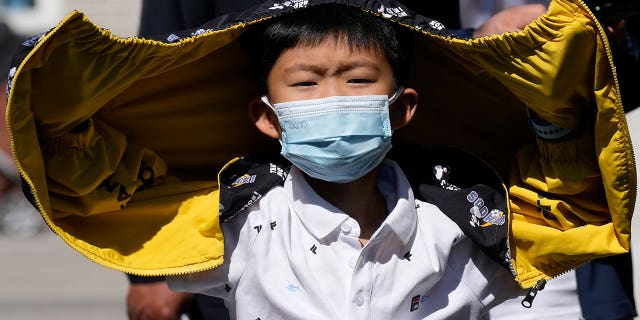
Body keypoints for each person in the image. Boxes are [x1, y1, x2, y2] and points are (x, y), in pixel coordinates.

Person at [4, 0, 634, 319]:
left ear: (403, 106)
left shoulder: (463, 210)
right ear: (266, 116)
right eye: (306, 85)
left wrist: (554, 113)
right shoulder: (238, 215)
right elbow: (105, 189)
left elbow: (566, 204)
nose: (333, 100)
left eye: (358, 81)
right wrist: (71, 93)